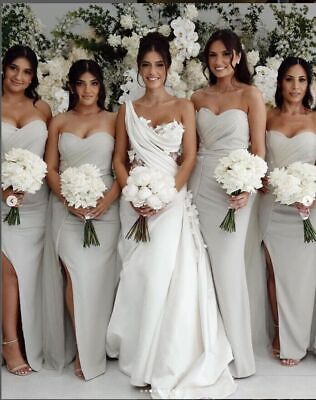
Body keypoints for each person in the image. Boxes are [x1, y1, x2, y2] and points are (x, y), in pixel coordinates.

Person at [106, 32, 237, 399]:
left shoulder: (182, 106)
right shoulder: (127, 110)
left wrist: (166, 196)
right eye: (146, 65)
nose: (152, 72)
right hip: (135, 202)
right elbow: (119, 158)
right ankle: (139, 353)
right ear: (138, 68)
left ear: (168, 67)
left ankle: (163, 359)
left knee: (166, 273)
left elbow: (191, 156)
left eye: (159, 65)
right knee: (141, 276)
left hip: (171, 200)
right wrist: (132, 192)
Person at [188, 29, 266, 378]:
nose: (218, 62)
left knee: (230, 266)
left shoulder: (251, 95)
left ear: (237, 57)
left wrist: (248, 187)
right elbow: (187, 148)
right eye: (212, 56)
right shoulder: (196, 97)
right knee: (199, 267)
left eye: (224, 55)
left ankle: (239, 357)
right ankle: (206, 349)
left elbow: (259, 150)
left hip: (237, 187)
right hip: (200, 183)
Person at [42, 59, 121, 380]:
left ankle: (100, 342)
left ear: (101, 86)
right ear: (72, 87)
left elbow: (123, 167)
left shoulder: (116, 120)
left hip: (106, 209)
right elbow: (50, 168)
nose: (87, 90)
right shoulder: (59, 122)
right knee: (74, 275)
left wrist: (107, 200)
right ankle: (82, 347)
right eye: (80, 84)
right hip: (66, 209)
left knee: (101, 280)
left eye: (93, 83)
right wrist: (67, 198)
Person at [259, 56, 316, 366]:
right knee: (273, 271)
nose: (296, 86)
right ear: (280, 82)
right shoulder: (268, 117)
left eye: (302, 80)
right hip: (273, 207)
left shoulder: (315, 118)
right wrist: (259, 178)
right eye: (290, 79)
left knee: (305, 276)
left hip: (306, 210)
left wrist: (311, 197)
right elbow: (257, 154)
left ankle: (304, 336)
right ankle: (281, 333)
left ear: (308, 84)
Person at [1, 45, 52, 375]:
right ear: (3, 69)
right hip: (2, 202)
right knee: (9, 271)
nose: (19, 77)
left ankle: (28, 335)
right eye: (14, 69)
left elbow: (51, 158)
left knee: (31, 275)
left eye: (27, 71)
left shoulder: (43, 108)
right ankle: (10, 345)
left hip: (37, 205)